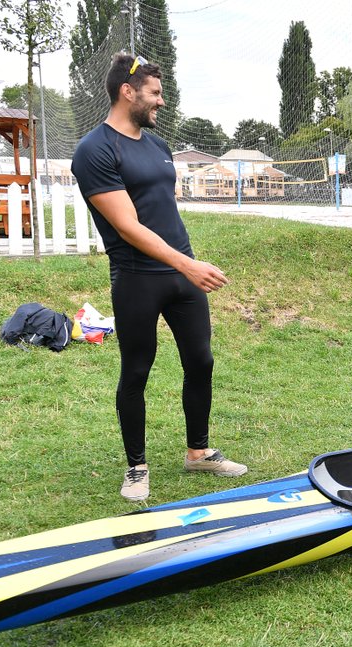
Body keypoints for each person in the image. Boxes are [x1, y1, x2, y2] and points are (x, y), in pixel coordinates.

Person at [72, 54, 248, 502]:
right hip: (137, 279)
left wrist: (185, 263)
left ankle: (198, 451)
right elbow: (128, 226)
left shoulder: (157, 145)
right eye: (154, 93)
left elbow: (160, 209)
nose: (161, 102)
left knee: (201, 361)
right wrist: (187, 265)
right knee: (136, 370)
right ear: (126, 92)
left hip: (180, 272)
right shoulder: (94, 150)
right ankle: (136, 467)